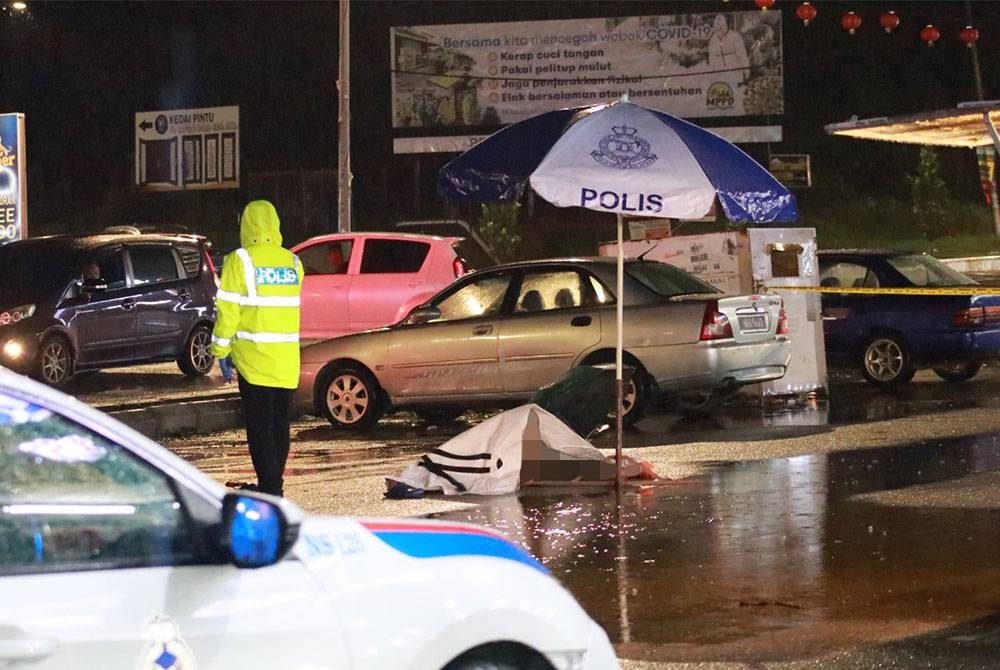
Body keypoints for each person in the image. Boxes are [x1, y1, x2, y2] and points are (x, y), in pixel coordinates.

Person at [211, 200, 303, 497]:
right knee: (280, 425)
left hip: (254, 361)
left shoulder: (240, 260)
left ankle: (270, 487)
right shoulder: (293, 263)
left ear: (246, 225)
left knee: (260, 427)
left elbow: (228, 312)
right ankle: (275, 484)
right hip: (287, 362)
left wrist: (220, 352)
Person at [707, 13, 750, 82]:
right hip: (719, 75)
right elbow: (711, 58)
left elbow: (742, 55)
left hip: (734, 73)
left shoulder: (735, 36)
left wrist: (746, 70)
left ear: (727, 25)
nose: (718, 29)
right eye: (716, 27)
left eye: (721, 26)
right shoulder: (713, 39)